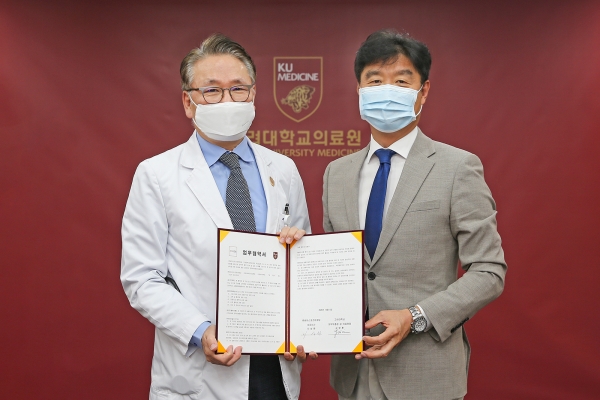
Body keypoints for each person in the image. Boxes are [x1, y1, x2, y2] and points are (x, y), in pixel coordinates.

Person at [121, 33, 313, 400]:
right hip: (201, 370)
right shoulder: (157, 174)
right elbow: (142, 278)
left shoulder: (284, 169)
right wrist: (200, 330)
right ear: (188, 102)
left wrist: (305, 325)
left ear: (253, 95)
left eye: (238, 89)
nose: (227, 100)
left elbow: (301, 262)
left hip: (274, 368)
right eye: (212, 91)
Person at [323, 29, 507, 400]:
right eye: (375, 80)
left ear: (423, 92)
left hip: (426, 376)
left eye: (401, 81)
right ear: (359, 90)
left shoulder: (457, 168)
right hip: (353, 375)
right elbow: (332, 268)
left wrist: (414, 316)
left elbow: (489, 271)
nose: (386, 90)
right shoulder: (336, 173)